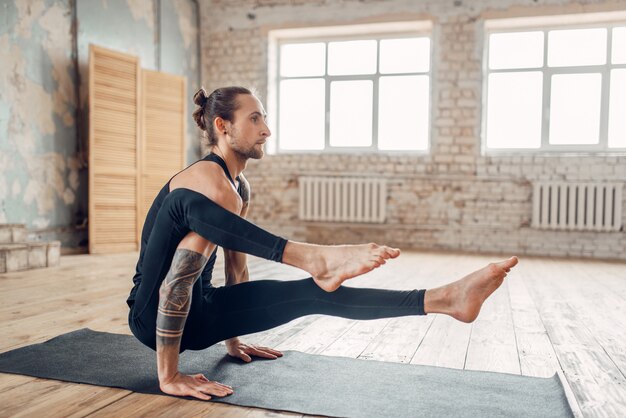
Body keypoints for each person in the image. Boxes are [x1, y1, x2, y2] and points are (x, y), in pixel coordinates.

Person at [126, 86, 519, 401]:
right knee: (183, 204)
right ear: (223, 126)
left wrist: (233, 337)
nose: (266, 129)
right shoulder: (208, 183)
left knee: (316, 293)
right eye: (255, 118)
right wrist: (170, 375)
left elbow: (236, 267)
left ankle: (443, 299)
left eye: (265, 117)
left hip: (199, 314)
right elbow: (175, 284)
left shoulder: (238, 187)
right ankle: (311, 256)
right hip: (151, 317)